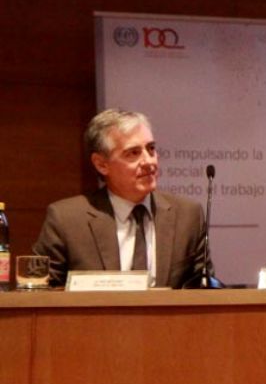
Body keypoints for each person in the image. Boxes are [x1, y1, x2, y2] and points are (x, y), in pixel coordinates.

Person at [34, 109, 210, 288]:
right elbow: (38, 291)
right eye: (133, 153)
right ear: (101, 164)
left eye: (151, 149)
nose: (149, 161)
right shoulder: (67, 220)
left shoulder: (188, 216)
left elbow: (204, 292)